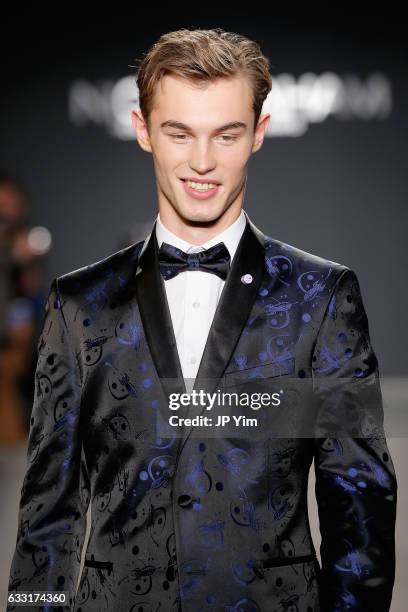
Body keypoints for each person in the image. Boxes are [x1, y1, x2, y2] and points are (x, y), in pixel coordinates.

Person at [7, 28, 397, 611]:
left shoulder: (320, 296)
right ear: (143, 130)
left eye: (227, 134)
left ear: (258, 134)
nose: (202, 162)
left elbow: (359, 499)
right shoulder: (80, 303)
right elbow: (48, 514)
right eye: (179, 132)